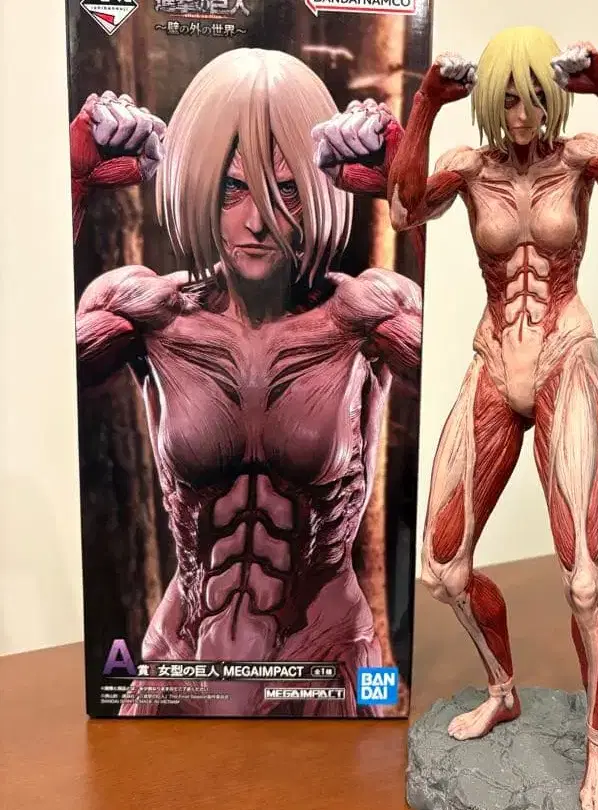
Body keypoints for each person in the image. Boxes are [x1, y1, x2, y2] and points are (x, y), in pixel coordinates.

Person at [69, 48, 421, 717]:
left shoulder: (365, 314)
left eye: (284, 191)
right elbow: (34, 381)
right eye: (233, 188)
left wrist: (411, 189)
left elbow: (479, 374)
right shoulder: (148, 311)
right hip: (185, 652)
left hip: (324, 655)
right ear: (200, 186)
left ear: (318, 190)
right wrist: (72, 180)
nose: (257, 221)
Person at [386, 27, 598, 810]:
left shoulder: (576, 159)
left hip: (563, 355)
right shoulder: (470, 169)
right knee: (442, 570)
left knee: (584, 580)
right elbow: (402, 210)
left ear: (552, 98)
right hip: (495, 360)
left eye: (533, 98)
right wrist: (424, 105)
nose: (520, 114)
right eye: (506, 99)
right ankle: (504, 690)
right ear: (487, 100)